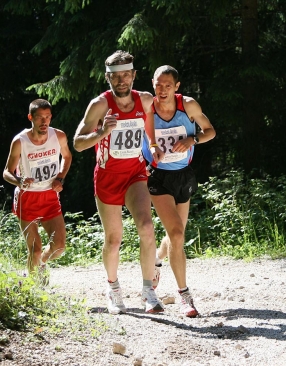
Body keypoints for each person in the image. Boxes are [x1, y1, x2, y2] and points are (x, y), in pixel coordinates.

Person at [73, 50, 165, 314]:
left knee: (147, 228)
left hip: (135, 173)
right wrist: (102, 132)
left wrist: (153, 143)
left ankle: (148, 291)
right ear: (108, 78)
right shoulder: (100, 105)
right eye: (116, 77)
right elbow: (78, 144)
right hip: (107, 178)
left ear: (134, 75)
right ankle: (113, 288)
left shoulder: (145, 100)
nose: (122, 81)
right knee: (114, 240)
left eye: (126, 75)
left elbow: (149, 124)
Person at [142, 65, 216, 317]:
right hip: (157, 176)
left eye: (167, 85)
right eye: (158, 85)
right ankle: (185, 296)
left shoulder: (188, 106)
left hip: (183, 174)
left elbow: (211, 131)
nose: (161, 90)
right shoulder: (146, 107)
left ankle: (157, 260)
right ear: (152, 84)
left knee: (177, 236)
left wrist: (192, 140)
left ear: (177, 86)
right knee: (175, 233)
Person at [3, 99, 72, 274]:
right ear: (30, 118)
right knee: (35, 249)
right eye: (40, 117)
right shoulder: (20, 141)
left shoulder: (59, 136)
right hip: (28, 198)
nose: (44, 122)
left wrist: (60, 178)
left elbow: (67, 156)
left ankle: (41, 263)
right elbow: (6, 172)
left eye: (47, 117)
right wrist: (19, 181)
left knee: (59, 246)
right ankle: (34, 291)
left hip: (49, 195)